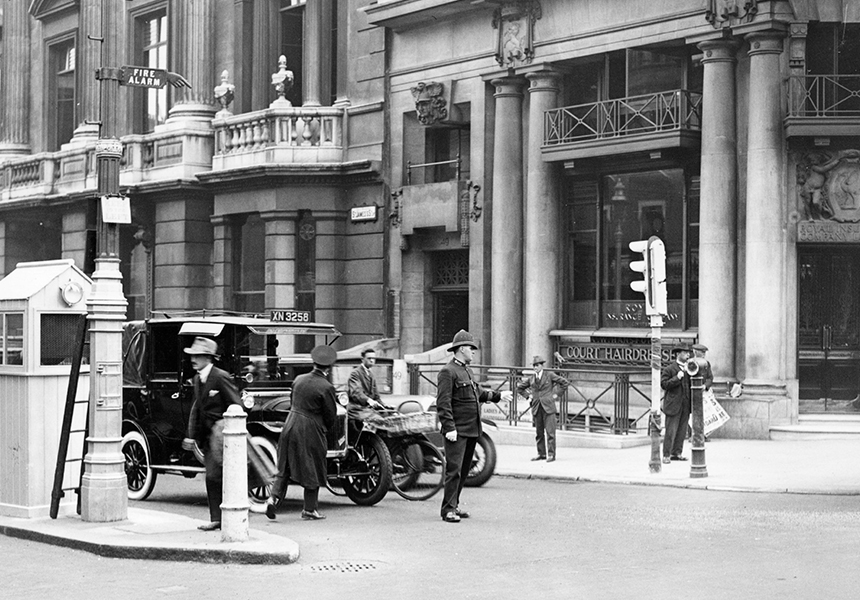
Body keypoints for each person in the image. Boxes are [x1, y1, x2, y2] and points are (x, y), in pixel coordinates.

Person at [436, 329, 504, 523]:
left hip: (471, 429)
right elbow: (443, 403)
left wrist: (498, 396)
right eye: (471, 348)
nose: (473, 352)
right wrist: (449, 428)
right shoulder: (447, 372)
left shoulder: (466, 370)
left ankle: (454, 505)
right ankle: (447, 510)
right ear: (461, 349)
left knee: (464, 471)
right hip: (457, 430)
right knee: (454, 470)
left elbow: (477, 393)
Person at [265, 344, 338, 521]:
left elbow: (292, 401)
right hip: (310, 428)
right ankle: (309, 509)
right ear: (328, 367)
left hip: (290, 424)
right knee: (312, 466)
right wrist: (324, 430)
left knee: (285, 465)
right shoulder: (326, 387)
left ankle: (273, 499)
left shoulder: (298, 379)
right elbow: (331, 416)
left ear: (313, 363)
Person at [181, 337, 240, 531]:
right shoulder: (198, 379)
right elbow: (197, 409)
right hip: (207, 438)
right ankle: (217, 518)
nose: (193, 359)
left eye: (197, 356)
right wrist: (192, 436)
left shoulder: (221, 377)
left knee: (216, 476)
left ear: (208, 357)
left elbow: (236, 406)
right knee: (212, 477)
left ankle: (225, 518)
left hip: (223, 437)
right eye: (192, 355)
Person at [517, 355, 570, 463]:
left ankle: (551, 454)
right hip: (537, 407)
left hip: (548, 407)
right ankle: (541, 454)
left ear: (542, 366)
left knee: (550, 432)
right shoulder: (532, 378)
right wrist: (528, 396)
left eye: (537, 365)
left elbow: (564, 383)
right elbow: (520, 388)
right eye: (534, 365)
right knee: (539, 433)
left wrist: (556, 395)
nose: (535, 367)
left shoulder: (549, 375)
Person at [661, 344, 691, 464]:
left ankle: (677, 453)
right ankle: (666, 455)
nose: (688, 355)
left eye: (688, 353)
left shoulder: (689, 368)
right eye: (685, 352)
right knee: (671, 431)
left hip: (685, 404)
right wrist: (677, 378)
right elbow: (664, 384)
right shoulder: (669, 369)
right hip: (673, 404)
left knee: (682, 431)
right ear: (678, 354)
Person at [347, 348, 384, 420]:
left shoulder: (371, 374)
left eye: (373, 358)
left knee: (392, 416)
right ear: (362, 359)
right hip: (356, 409)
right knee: (379, 420)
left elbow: (376, 395)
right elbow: (356, 393)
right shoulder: (355, 373)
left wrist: (384, 406)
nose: (372, 360)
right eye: (369, 358)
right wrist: (369, 401)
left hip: (367, 409)